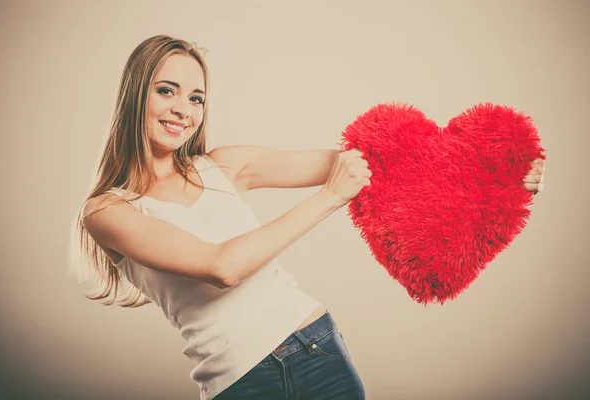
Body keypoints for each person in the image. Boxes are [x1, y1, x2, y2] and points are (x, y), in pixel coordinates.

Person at [71, 35, 546, 400]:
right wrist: (328, 198)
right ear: (137, 94)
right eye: (167, 90)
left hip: (317, 349)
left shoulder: (224, 164)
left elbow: (373, 162)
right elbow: (222, 266)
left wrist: (497, 173)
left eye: (196, 98)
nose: (182, 110)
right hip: (239, 383)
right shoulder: (109, 212)